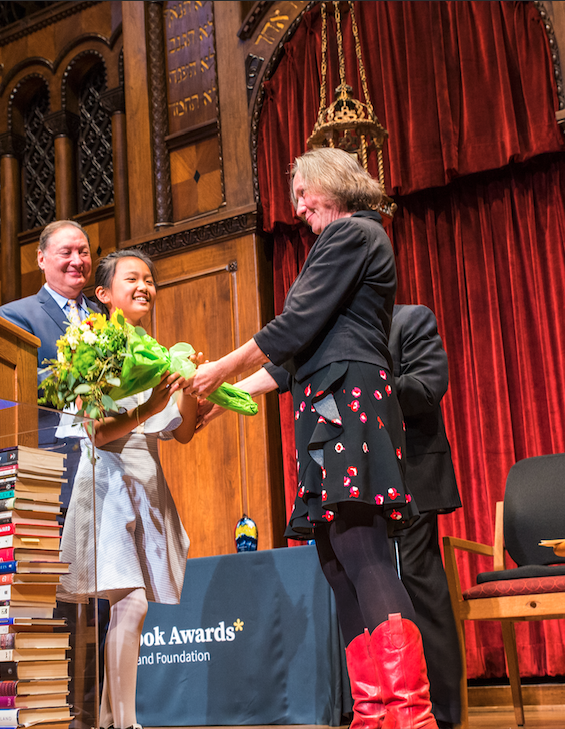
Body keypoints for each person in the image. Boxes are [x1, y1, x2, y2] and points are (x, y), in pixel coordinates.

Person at [189, 147, 439, 729]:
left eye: (304, 192)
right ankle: (373, 711)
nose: (298, 207)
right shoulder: (342, 244)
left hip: (349, 399)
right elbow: (290, 359)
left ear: (334, 182)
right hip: (325, 404)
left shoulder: (353, 233)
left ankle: (409, 716)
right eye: (296, 196)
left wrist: (218, 370)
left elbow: (291, 326)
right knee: (334, 557)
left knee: (364, 549)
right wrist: (222, 404)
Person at [57, 249, 198, 729]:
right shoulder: (91, 343)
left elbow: (180, 432)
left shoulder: (157, 353)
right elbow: (96, 431)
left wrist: (193, 391)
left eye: (150, 280)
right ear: (104, 293)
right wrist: (150, 405)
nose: (144, 287)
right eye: (132, 278)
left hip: (147, 482)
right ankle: (128, 725)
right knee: (131, 604)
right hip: (107, 480)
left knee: (130, 608)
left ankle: (109, 721)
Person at [0, 219, 104, 727]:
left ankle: (97, 713)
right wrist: (78, 361)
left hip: (105, 479)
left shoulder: (106, 316)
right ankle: (48, 716)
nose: (77, 261)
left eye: (83, 251)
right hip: (51, 482)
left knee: (104, 610)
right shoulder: (17, 315)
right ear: (41, 258)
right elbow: (19, 384)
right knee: (51, 611)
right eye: (66, 252)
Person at [389, 304, 463, 729]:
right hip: (358, 479)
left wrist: (371, 381)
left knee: (420, 588)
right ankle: (392, 707)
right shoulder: (336, 327)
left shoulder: (410, 319)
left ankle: (445, 715)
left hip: (412, 476)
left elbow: (427, 387)